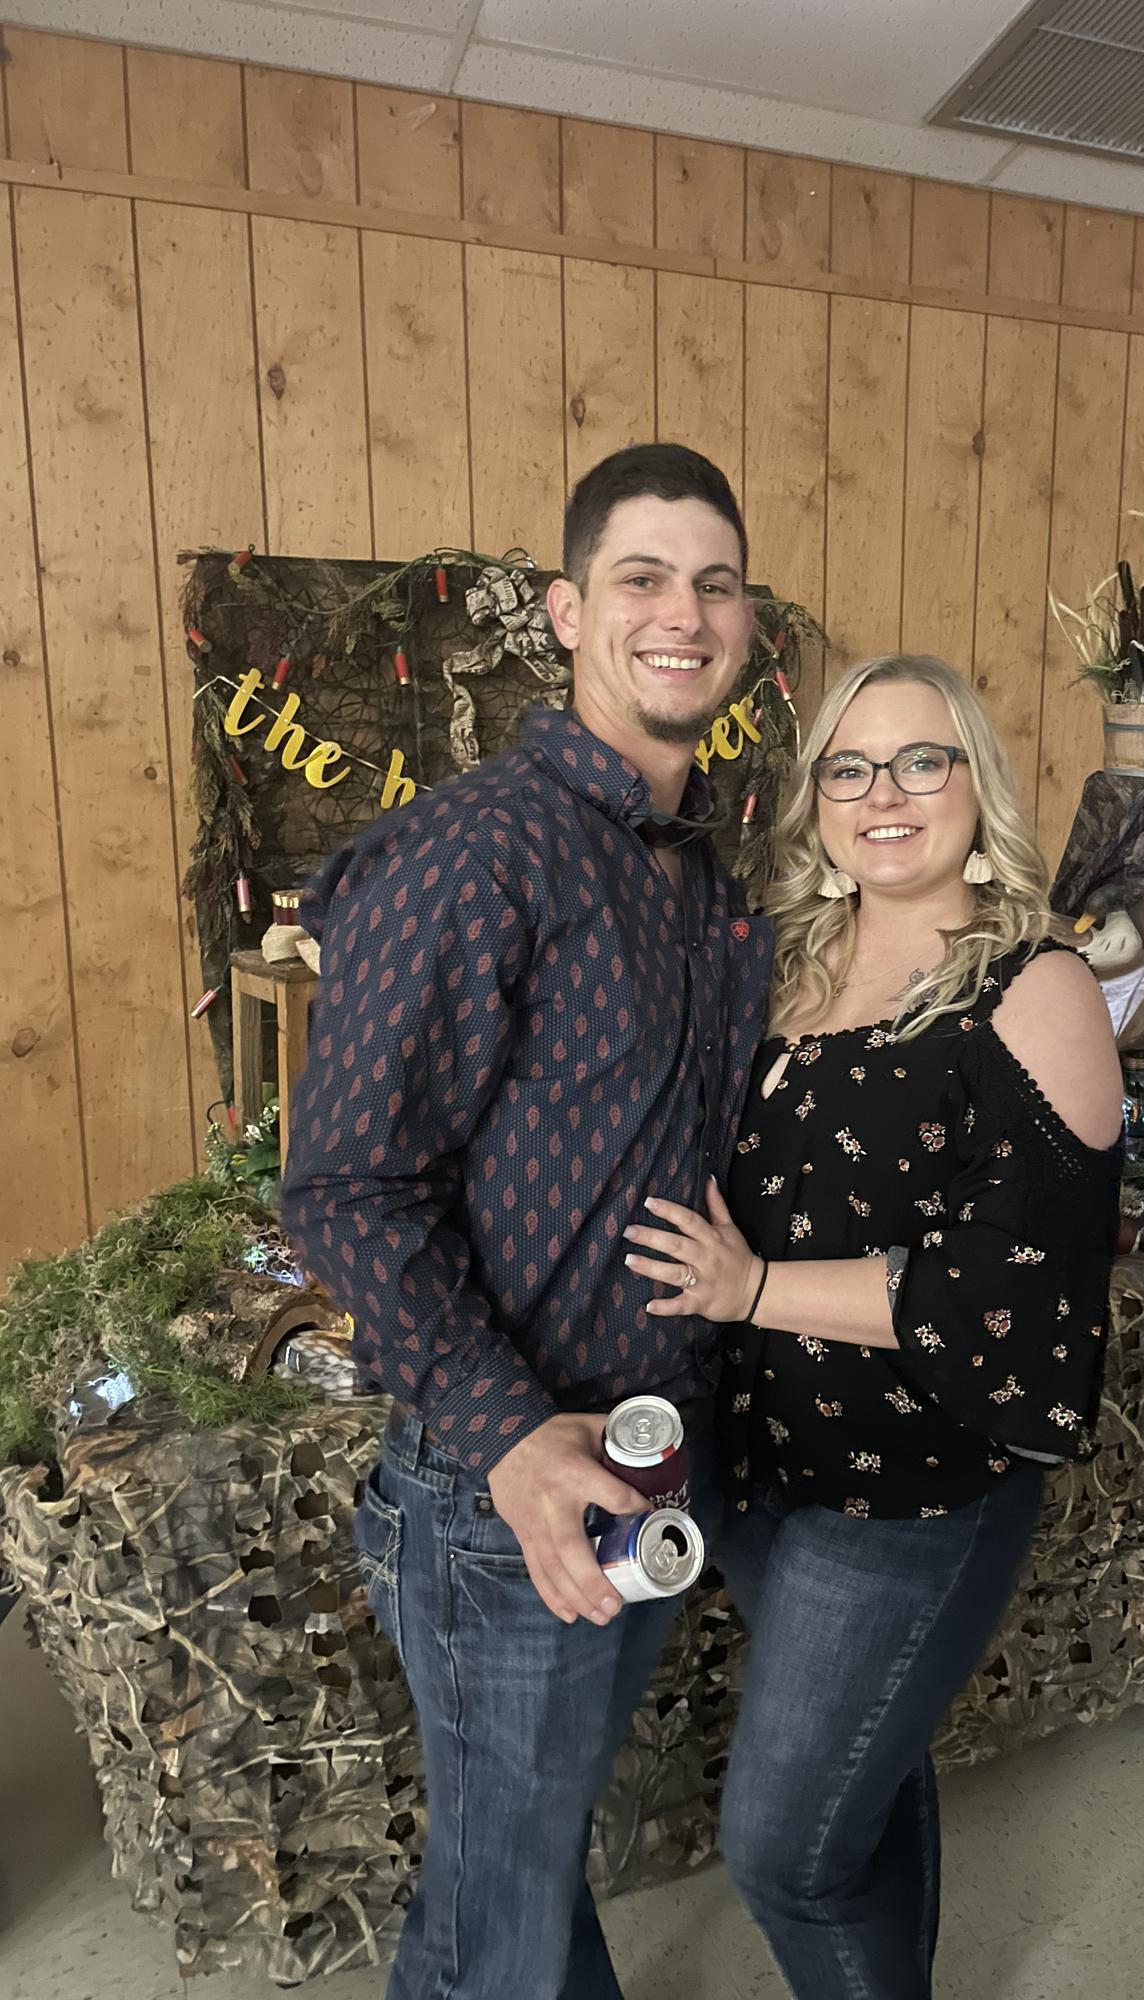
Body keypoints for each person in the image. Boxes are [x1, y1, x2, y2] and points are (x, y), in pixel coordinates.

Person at [281, 444, 773, 2000]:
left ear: (745, 620)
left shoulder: (704, 870)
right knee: (497, 1922)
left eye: (714, 584)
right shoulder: (476, 849)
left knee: (520, 1866)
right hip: (503, 1491)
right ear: (567, 613)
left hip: (650, 1452)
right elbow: (345, 1182)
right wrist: (505, 1437)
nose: (682, 613)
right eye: (642, 578)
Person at [622, 654, 1123, 1999]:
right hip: (763, 1460)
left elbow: (1012, 1285)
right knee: (869, 1774)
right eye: (849, 768)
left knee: (785, 1851)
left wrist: (750, 1290)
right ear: (817, 800)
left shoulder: (1033, 988)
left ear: (975, 785)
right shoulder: (789, 963)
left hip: (910, 1489)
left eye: (919, 761)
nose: (883, 795)